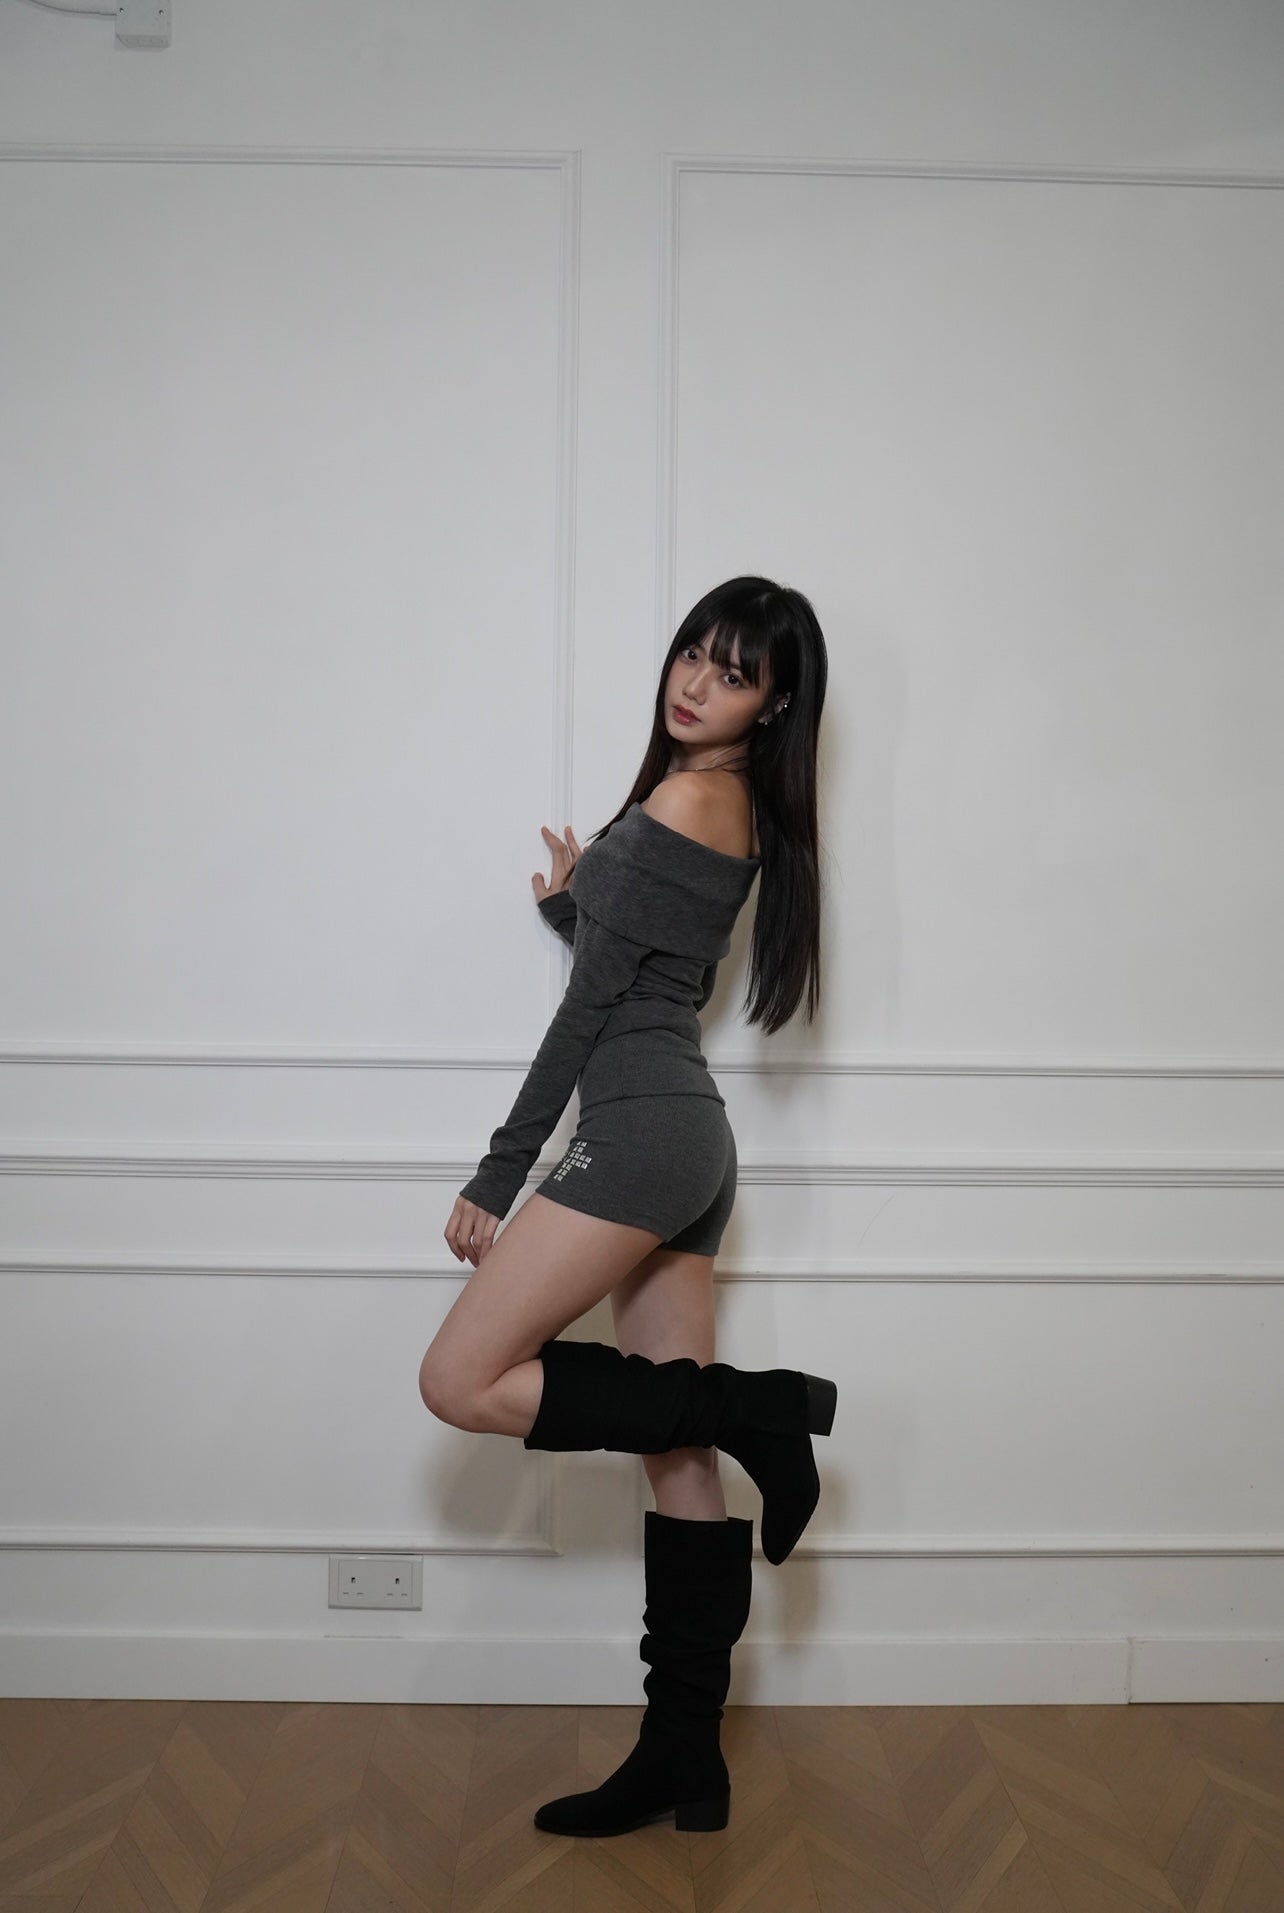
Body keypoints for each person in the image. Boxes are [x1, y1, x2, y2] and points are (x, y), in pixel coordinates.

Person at [419, 574, 832, 1838]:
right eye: (693, 652)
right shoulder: (733, 804)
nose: (696, 681)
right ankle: (685, 1758)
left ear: (773, 705)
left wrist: (500, 1172)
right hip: (685, 1137)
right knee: (677, 1454)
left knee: (459, 1378)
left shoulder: (686, 797)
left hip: (642, 1137)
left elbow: (592, 1010)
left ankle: (760, 1407)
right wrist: (578, 904)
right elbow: (650, 978)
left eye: (734, 672)